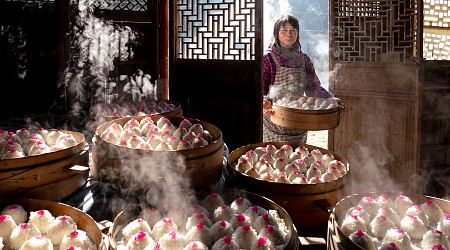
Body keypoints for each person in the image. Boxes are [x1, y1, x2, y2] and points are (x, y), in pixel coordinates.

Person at [262, 14, 344, 144]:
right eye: (284, 30)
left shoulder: (304, 59)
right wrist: (264, 103)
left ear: (297, 33)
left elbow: (313, 86)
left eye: (293, 30)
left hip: (298, 122)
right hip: (273, 122)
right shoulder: (268, 58)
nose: (289, 34)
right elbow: (261, 89)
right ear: (276, 34)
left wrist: (330, 99)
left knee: (298, 161)